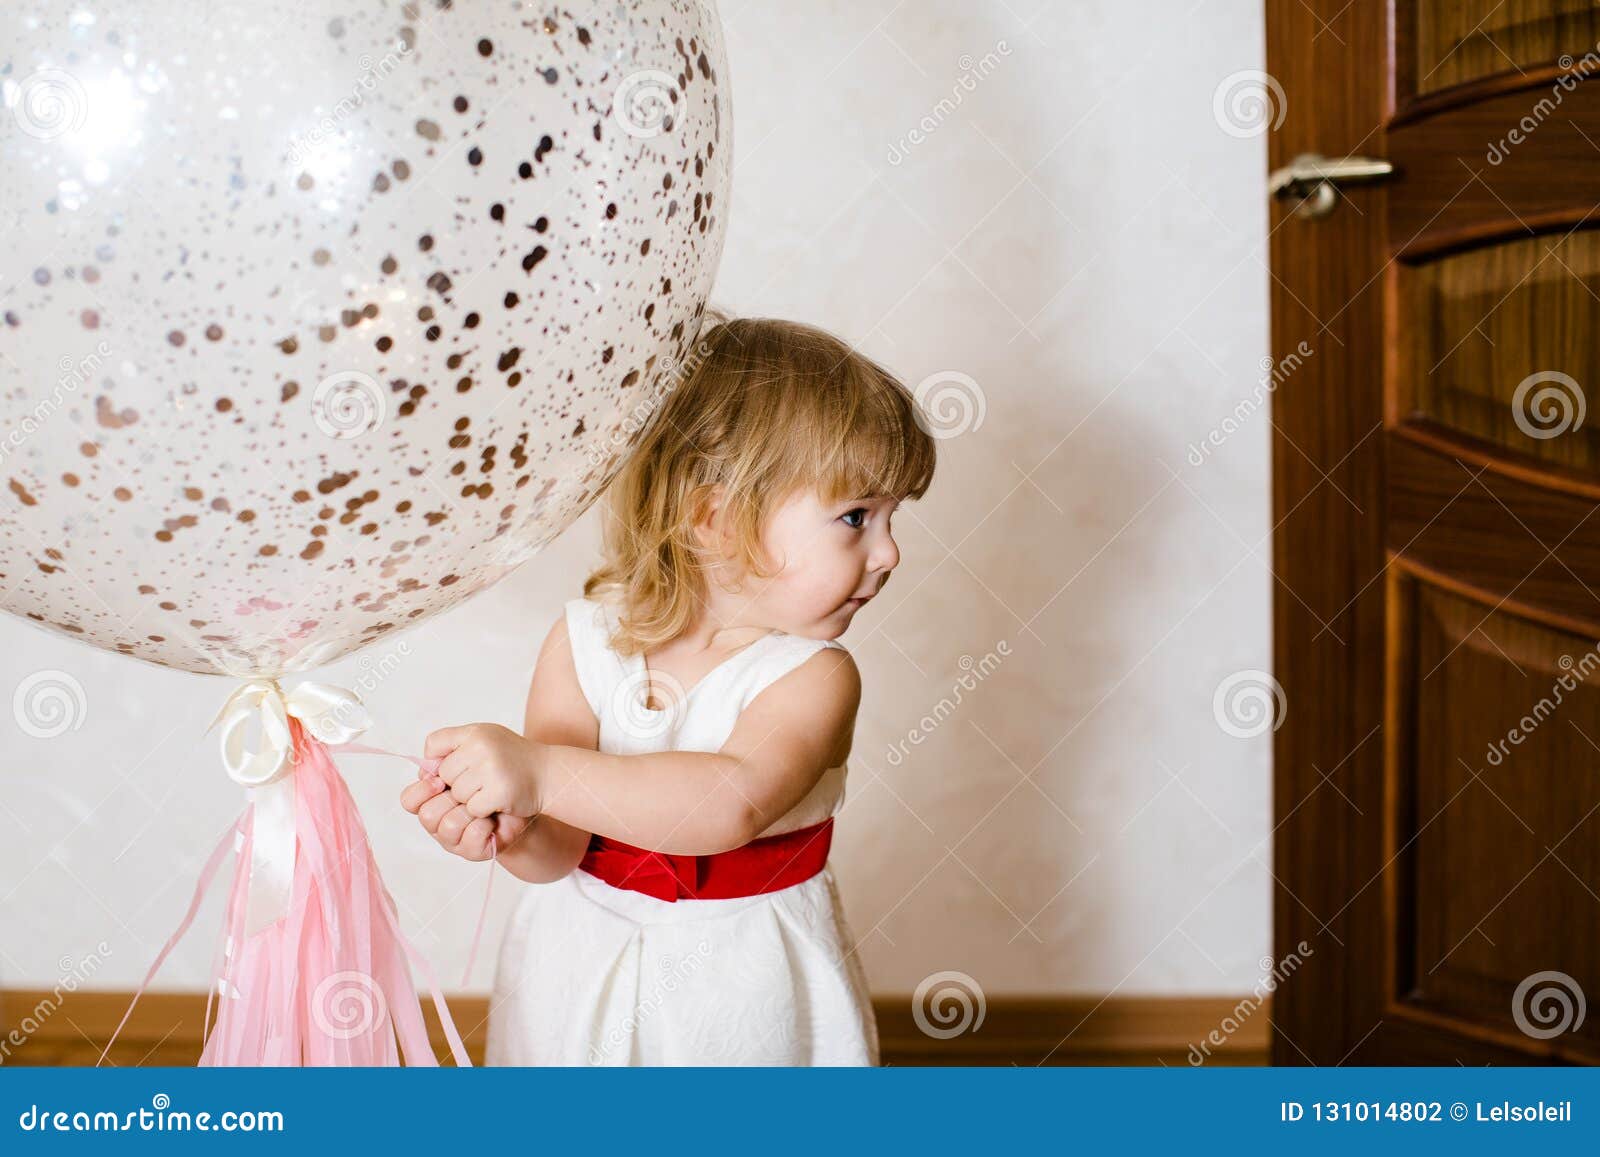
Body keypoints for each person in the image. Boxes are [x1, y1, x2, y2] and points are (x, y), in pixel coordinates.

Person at [401, 314, 938, 1065]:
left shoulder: (813, 676)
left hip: (742, 976)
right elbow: (559, 846)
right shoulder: (585, 642)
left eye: (890, 516)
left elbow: (732, 801)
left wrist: (540, 771)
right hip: (581, 959)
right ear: (715, 519)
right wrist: (510, 827)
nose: (889, 551)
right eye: (856, 516)